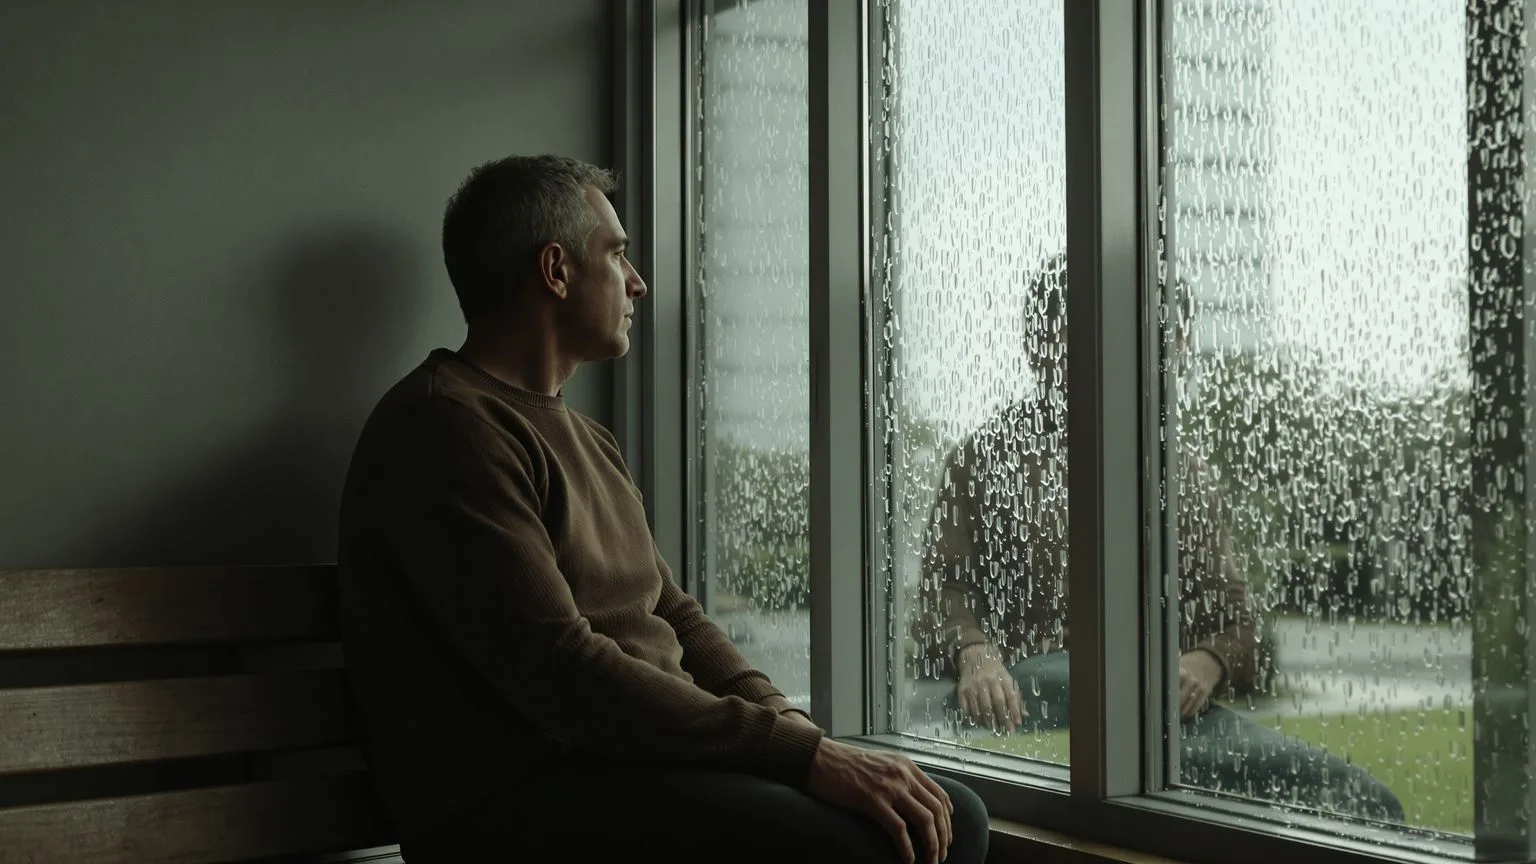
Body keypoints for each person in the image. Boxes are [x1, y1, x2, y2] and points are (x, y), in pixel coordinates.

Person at [338, 154, 989, 864]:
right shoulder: (446, 426)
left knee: (954, 812)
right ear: (555, 270)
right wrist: (798, 756)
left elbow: (675, 614)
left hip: (626, 770)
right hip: (514, 803)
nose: (637, 282)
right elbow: (562, 670)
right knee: (888, 837)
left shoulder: (589, 438)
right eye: (616, 254)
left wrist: (796, 731)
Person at [912, 255, 1405, 823]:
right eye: (1107, 332)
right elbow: (941, 590)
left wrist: (1207, 661)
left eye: (1167, 339)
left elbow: (1237, 617)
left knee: (1366, 801)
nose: (1153, 354)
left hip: (1156, 712)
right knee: (1087, 678)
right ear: (1042, 344)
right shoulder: (986, 459)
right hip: (1030, 694)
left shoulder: (1181, 472)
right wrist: (976, 654)